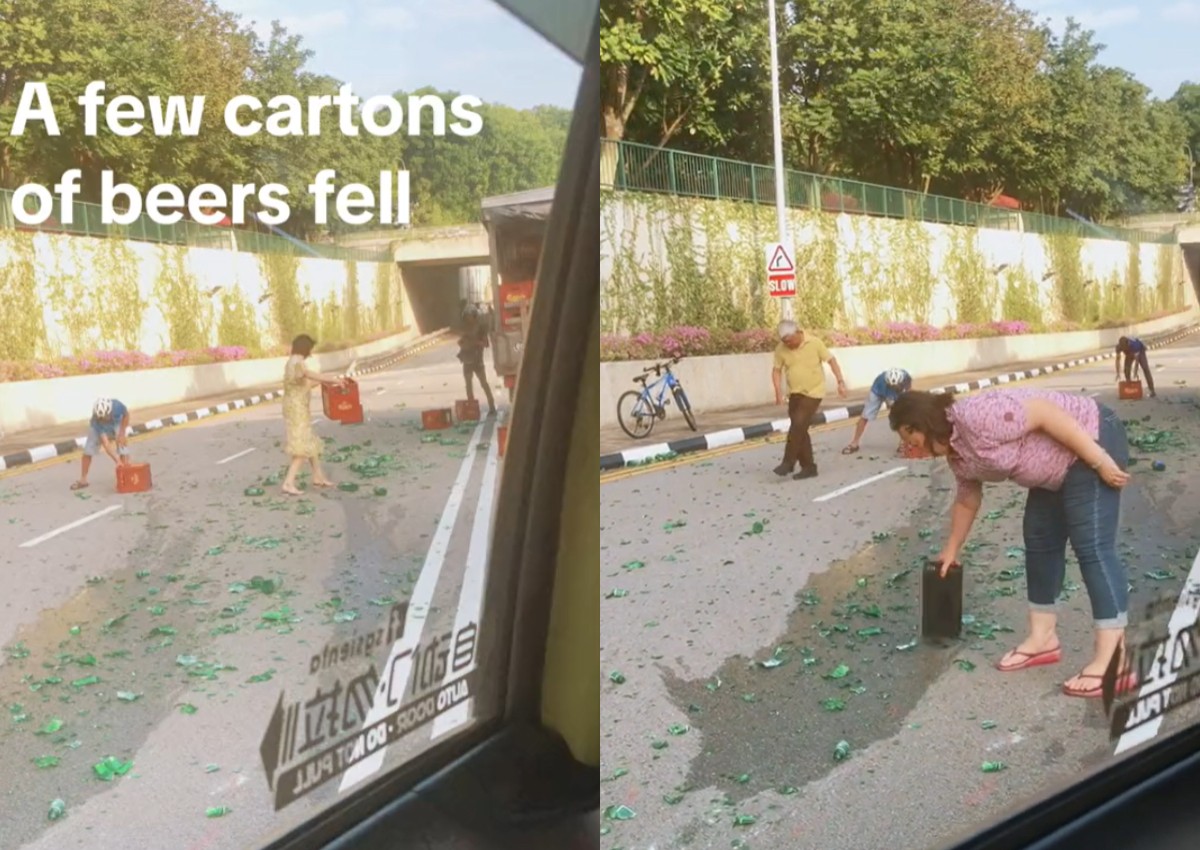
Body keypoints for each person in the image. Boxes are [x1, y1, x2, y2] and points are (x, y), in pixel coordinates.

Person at [888, 387, 1137, 699]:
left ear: (915, 426)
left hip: (1090, 438)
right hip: (1051, 471)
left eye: (906, 437)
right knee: (1039, 541)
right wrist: (951, 550)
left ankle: (1116, 661)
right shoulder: (956, 453)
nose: (908, 446)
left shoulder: (975, 417)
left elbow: (1046, 413)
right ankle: (1042, 638)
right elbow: (968, 498)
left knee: (1093, 549)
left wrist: (1100, 460)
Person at [771, 321, 847, 480]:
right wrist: (778, 391)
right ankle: (809, 467)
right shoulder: (781, 349)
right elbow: (777, 370)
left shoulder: (815, 343)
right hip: (794, 393)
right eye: (785, 342)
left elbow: (831, 361)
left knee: (798, 423)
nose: (788, 344)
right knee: (800, 429)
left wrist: (840, 382)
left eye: (790, 341)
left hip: (814, 392)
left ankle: (788, 462)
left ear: (798, 333)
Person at [281, 334, 345, 496]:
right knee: (301, 448)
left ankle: (318, 476)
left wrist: (325, 381)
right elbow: (310, 375)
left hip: (298, 407)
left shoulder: (293, 362)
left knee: (309, 442)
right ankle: (288, 482)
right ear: (305, 348)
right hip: (297, 410)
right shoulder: (297, 363)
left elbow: (307, 384)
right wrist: (332, 380)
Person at [843, 368, 913, 456]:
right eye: (893, 387)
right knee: (865, 416)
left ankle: (903, 442)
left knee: (901, 417)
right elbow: (889, 401)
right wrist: (891, 403)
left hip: (897, 393)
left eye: (896, 386)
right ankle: (854, 443)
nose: (895, 388)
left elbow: (909, 393)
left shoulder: (906, 377)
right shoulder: (881, 383)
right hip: (877, 392)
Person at [70, 398, 131, 491]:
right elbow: (106, 443)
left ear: (110, 412)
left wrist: (122, 433)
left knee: (123, 446)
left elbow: (126, 415)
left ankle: (125, 475)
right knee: (88, 451)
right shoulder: (97, 421)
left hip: (117, 421)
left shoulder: (117, 406)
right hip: (98, 428)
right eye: (101, 418)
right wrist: (117, 460)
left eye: (105, 417)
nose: (104, 419)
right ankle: (83, 480)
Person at [458, 311, 497, 415]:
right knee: (469, 386)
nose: (469, 319)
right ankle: (472, 410)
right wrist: (465, 343)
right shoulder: (465, 329)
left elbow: (486, 344)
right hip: (467, 361)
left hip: (477, 361)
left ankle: (492, 406)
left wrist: (474, 342)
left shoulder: (481, 329)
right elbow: (461, 343)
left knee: (484, 384)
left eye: (470, 316)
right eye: (467, 317)